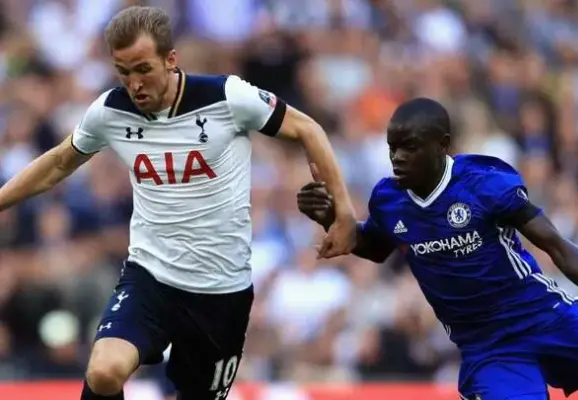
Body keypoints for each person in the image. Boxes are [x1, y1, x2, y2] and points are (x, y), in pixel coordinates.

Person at [0, 6, 357, 400]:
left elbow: (308, 129)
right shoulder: (110, 111)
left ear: (171, 60)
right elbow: (58, 163)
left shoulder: (226, 97)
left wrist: (344, 216)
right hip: (150, 278)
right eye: (123, 72)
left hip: (221, 291)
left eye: (143, 69)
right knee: (103, 371)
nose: (134, 84)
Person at [296, 97, 578, 399]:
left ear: (442, 145)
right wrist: (330, 218)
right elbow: (376, 248)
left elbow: (558, 247)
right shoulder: (389, 200)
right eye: (392, 148)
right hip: (489, 347)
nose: (397, 158)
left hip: (545, 317)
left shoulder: (484, 183)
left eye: (409, 147)